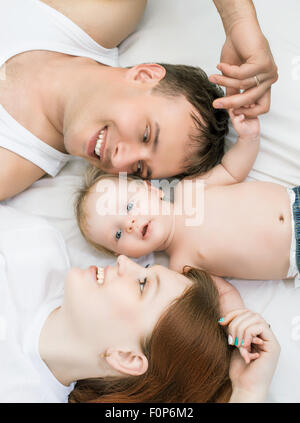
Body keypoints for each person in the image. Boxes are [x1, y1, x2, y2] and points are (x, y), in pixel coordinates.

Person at [0, 0, 277, 201]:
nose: (121, 159)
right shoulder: (102, 11)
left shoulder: (11, 162)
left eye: (139, 169)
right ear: (144, 75)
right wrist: (238, 21)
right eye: (146, 135)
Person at [0, 203, 279, 403]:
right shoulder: (35, 244)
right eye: (145, 271)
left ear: (127, 358)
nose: (123, 261)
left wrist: (248, 392)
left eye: (142, 284)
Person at [75, 108, 300, 292]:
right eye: (117, 234)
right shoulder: (181, 267)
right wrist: (236, 319)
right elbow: (223, 293)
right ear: (122, 256)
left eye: (129, 206)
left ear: (152, 190)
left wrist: (248, 139)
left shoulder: (189, 190)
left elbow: (232, 171)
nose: (129, 224)